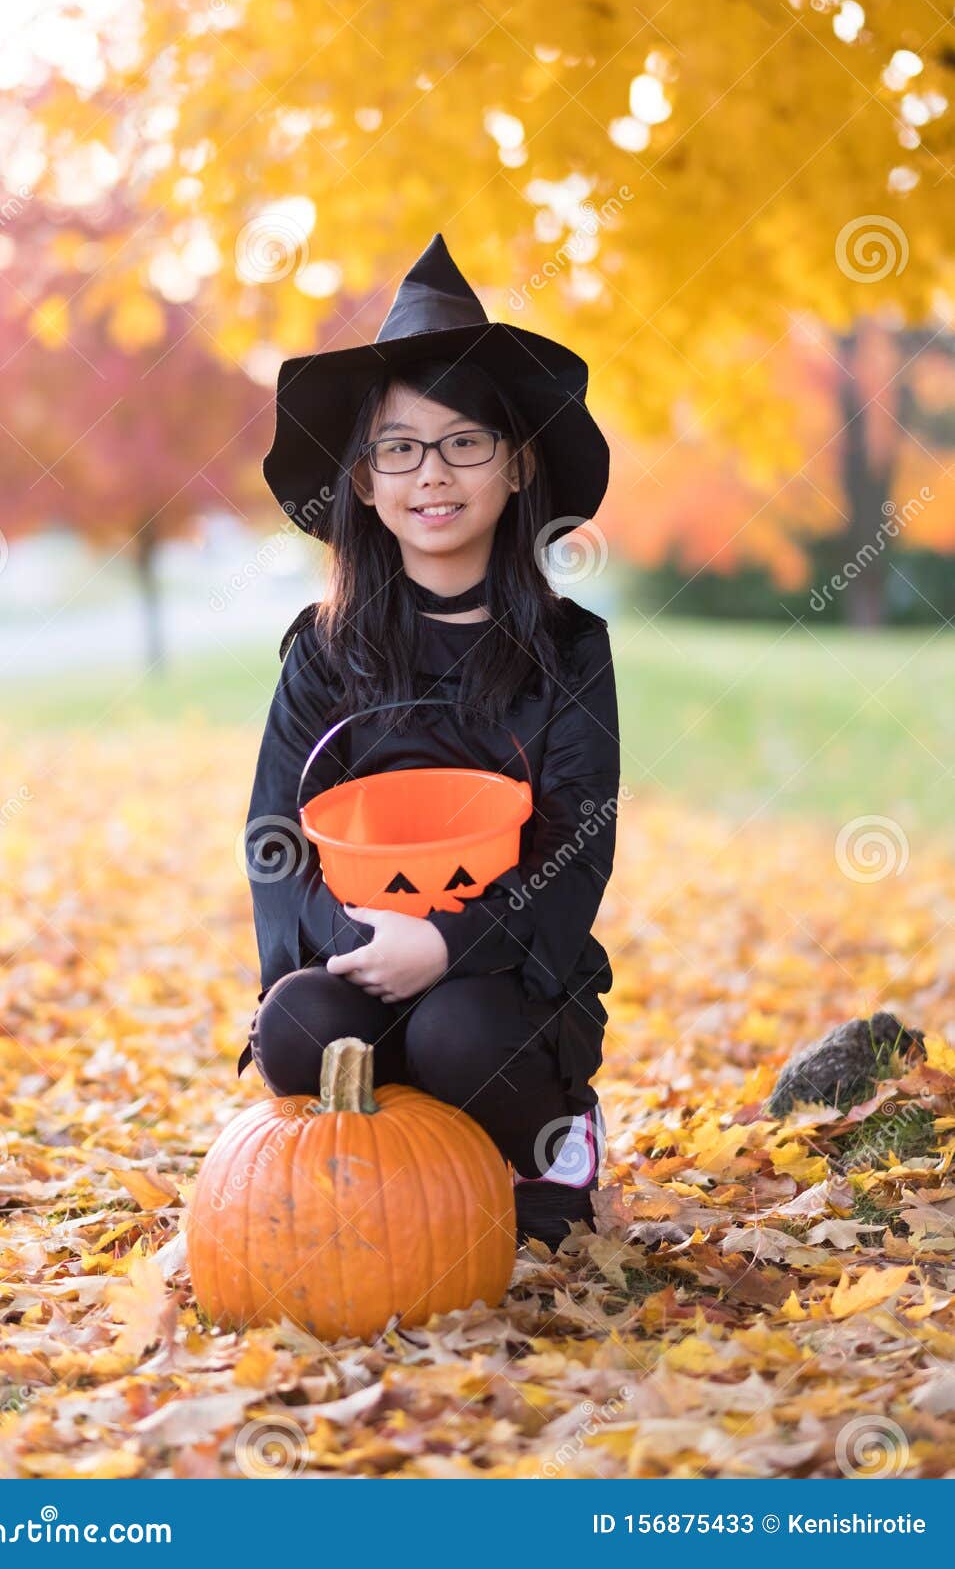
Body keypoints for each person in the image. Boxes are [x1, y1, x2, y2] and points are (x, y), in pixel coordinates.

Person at [236, 232, 620, 1250]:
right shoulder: (324, 651)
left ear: (516, 463)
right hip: (361, 945)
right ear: (363, 481)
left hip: (500, 973)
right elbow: (274, 830)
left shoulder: (569, 649)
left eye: (463, 442)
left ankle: (548, 1138)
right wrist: (362, 944)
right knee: (297, 1029)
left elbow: (577, 833)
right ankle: (399, 1175)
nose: (430, 474)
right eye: (398, 448)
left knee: (459, 1030)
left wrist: (446, 944)